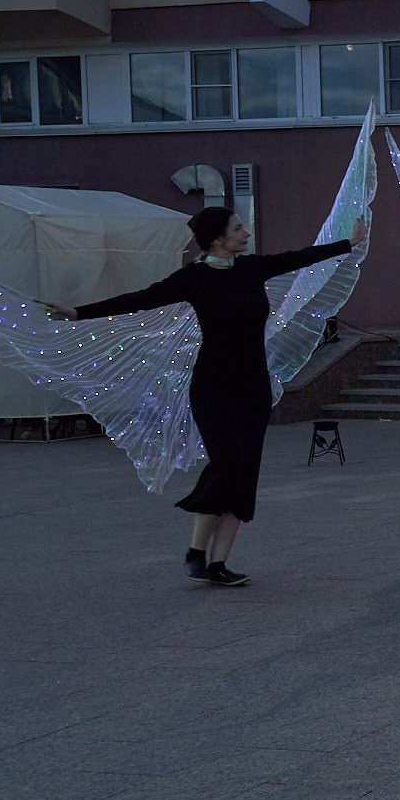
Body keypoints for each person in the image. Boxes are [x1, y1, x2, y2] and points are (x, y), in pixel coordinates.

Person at [47, 208, 356, 587]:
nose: (245, 233)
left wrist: (348, 243)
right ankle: (195, 551)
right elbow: (142, 299)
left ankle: (218, 564)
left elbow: (298, 257)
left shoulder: (251, 268)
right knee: (226, 465)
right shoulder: (194, 279)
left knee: (244, 473)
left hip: (253, 387)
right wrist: (78, 312)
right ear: (217, 239)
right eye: (237, 228)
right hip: (214, 386)